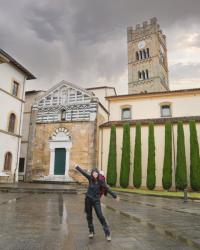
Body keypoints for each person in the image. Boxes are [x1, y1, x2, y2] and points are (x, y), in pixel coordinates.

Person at [75, 165, 120, 241]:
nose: (94, 174)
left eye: (96, 173)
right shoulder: (90, 179)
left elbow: (107, 189)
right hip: (88, 200)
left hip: (96, 201)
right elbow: (83, 172)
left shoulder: (100, 181)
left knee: (100, 216)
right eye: (93, 173)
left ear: (98, 173)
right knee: (89, 217)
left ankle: (107, 233)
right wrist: (77, 167)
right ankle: (91, 231)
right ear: (92, 173)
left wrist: (115, 196)